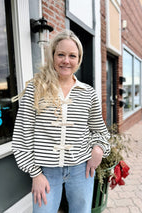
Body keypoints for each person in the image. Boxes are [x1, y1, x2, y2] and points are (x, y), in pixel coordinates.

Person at [12, 29, 110, 213]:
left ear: (79, 59)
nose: (66, 60)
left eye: (72, 55)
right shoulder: (35, 89)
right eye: (61, 54)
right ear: (52, 56)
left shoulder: (88, 93)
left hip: (82, 170)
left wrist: (98, 148)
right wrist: (36, 174)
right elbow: (21, 138)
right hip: (46, 173)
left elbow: (100, 132)